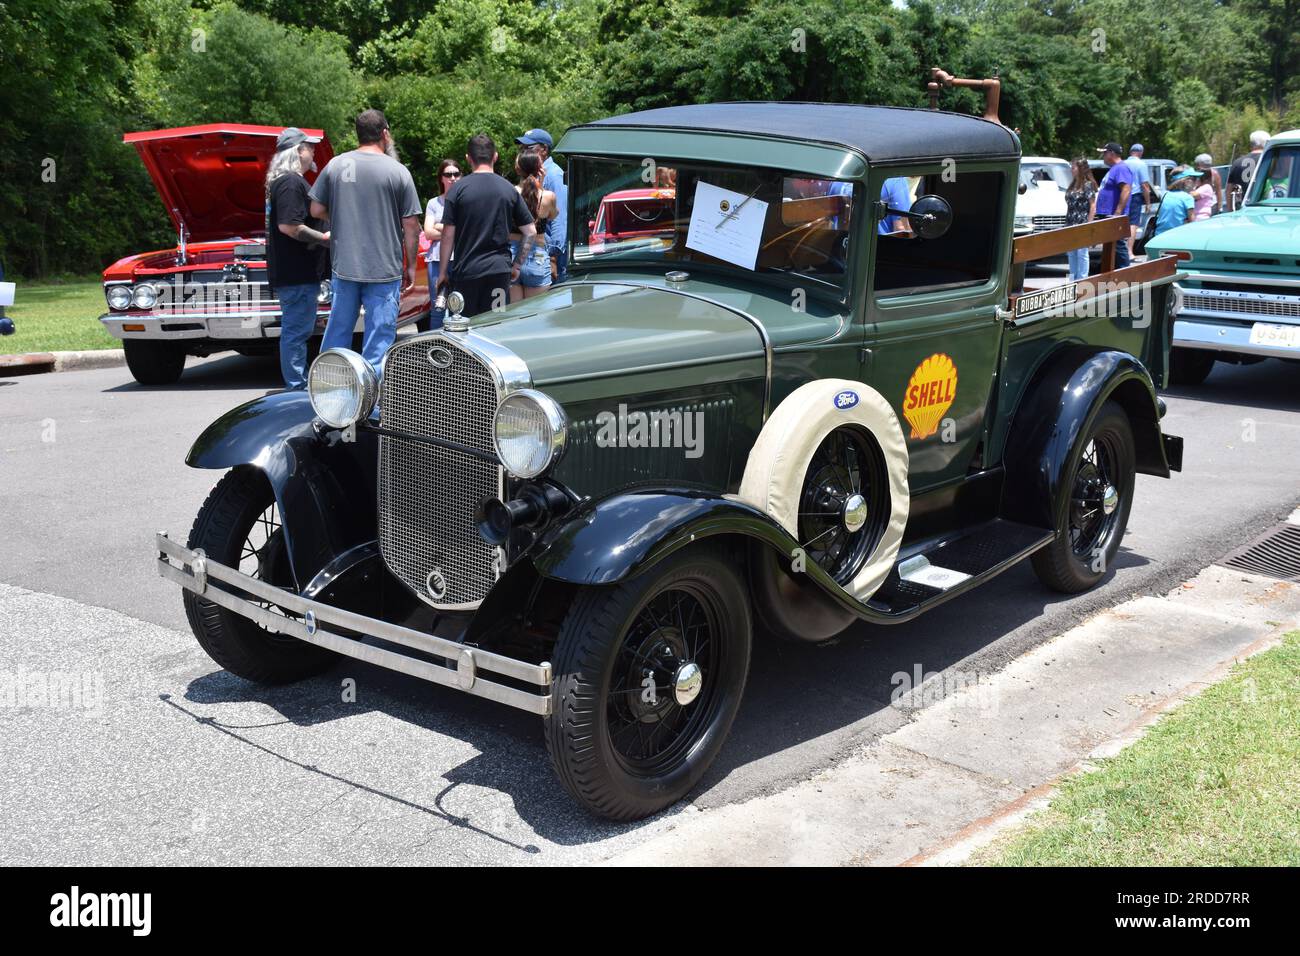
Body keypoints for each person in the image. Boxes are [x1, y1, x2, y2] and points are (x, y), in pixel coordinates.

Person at [309, 109, 421, 370]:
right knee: (378, 341)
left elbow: (315, 210)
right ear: (384, 133)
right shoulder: (398, 171)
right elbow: (411, 225)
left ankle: (332, 392)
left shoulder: (336, 164)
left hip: (345, 266)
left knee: (337, 334)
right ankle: (373, 401)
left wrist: (342, 217)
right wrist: (411, 266)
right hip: (384, 269)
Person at [438, 133, 538, 317]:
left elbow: (447, 236)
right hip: (499, 272)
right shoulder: (508, 189)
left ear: (468, 158)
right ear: (495, 156)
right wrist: (516, 266)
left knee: (462, 330)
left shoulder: (457, 190)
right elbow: (530, 231)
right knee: (495, 326)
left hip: (466, 273)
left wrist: (442, 272)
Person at [264, 127, 330, 390]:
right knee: (296, 332)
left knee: (298, 331)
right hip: (297, 273)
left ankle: (297, 383)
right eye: (308, 147)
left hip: (295, 273)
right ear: (297, 151)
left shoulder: (284, 182)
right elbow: (289, 227)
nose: (313, 151)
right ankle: (296, 386)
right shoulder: (291, 182)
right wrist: (323, 238)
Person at [515, 129, 568, 283]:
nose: (523, 152)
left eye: (529, 148)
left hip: (548, 256)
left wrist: (553, 257)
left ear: (544, 150)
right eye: (521, 148)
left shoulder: (554, 175)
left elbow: (560, 219)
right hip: (531, 252)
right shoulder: (534, 176)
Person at [509, 151, 557, 301]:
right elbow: (553, 215)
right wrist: (540, 185)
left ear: (517, 168)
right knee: (535, 315)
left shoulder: (510, 193)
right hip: (537, 257)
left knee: (513, 315)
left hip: (511, 256)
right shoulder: (547, 196)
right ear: (540, 169)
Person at [419, 158, 460, 331]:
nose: (452, 178)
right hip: (436, 260)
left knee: (457, 307)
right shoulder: (433, 203)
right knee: (438, 307)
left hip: (459, 259)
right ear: (441, 178)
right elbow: (428, 232)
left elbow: (464, 230)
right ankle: (436, 348)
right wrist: (452, 231)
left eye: (456, 174)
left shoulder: (464, 200)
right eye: (448, 174)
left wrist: (440, 226)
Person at [1094, 142, 1135, 268]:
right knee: (1110, 247)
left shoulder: (1121, 168)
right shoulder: (1114, 169)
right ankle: (1112, 276)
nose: (1103, 156)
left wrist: (1117, 213)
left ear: (1111, 153)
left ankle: (1126, 275)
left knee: (1118, 245)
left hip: (1113, 215)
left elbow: (1126, 189)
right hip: (1107, 214)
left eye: (1104, 153)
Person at [1064, 157, 1096, 280]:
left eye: (1073, 167)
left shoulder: (1088, 185)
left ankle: (1082, 279)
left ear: (1080, 169)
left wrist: (1089, 224)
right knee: (1071, 253)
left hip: (1082, 223)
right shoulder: (1072, 185)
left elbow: (1093, 206)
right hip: (1070, 223)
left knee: (1082, 253)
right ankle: (1072, 280)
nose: (1071, 169)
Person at [1227, 130, 1270, 209]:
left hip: (1242, 208)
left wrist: (1230, 209)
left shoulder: (1237, 162)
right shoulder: (1268, 160)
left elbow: (1229, 188)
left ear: (1251, 144)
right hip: (1264, 207)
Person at [1123, 144, 1152, 255]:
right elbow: (1144, 185)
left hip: (1122, 196)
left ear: (1130, 152)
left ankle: (1119, 250)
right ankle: (1129, 251)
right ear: (1140, 153)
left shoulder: (1123, 163)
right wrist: (1148, 203)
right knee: (1133, 224)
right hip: (1135, 196)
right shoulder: (1141, 164)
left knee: (1121, 222)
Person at [1152, 169, 1197, 237]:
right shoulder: (1187, 198)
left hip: (1159, 235)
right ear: (1186, 181)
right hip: (1177, 237)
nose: (1196, 182)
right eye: (1194, 179)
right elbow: (1192, 223)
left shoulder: (1165, 194)